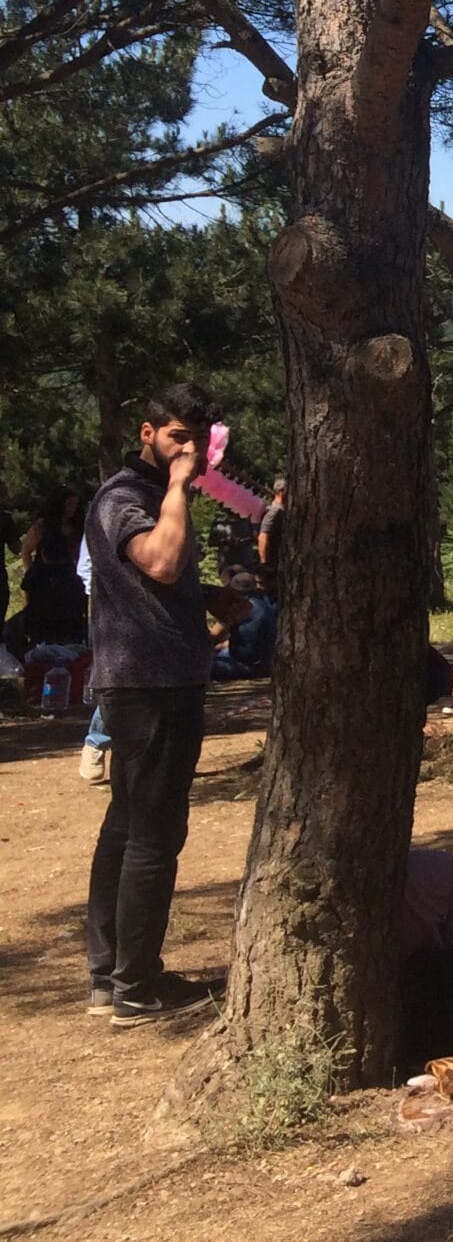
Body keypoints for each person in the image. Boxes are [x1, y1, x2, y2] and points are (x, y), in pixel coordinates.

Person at [84, 383, 250, 1025]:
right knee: (153, 835)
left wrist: (205, 597)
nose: (190, 451)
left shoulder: (151, 495)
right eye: (179, 437)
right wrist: (181, 484)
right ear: (147, 433)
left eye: (198, 441)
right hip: (149, 686)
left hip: (157, 679)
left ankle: (110, 977)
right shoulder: (125, 497)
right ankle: (134, 987)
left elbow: (150, 581)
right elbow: (158, 562)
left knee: (127, 826)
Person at [14, 489, 89, 650]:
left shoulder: (76, 525)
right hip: (43, 574)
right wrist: (31, 573)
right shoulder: (43, 525)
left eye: (75, 504)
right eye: (69, 504)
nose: (72, 508)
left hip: (67, 574)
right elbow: (26, 550)